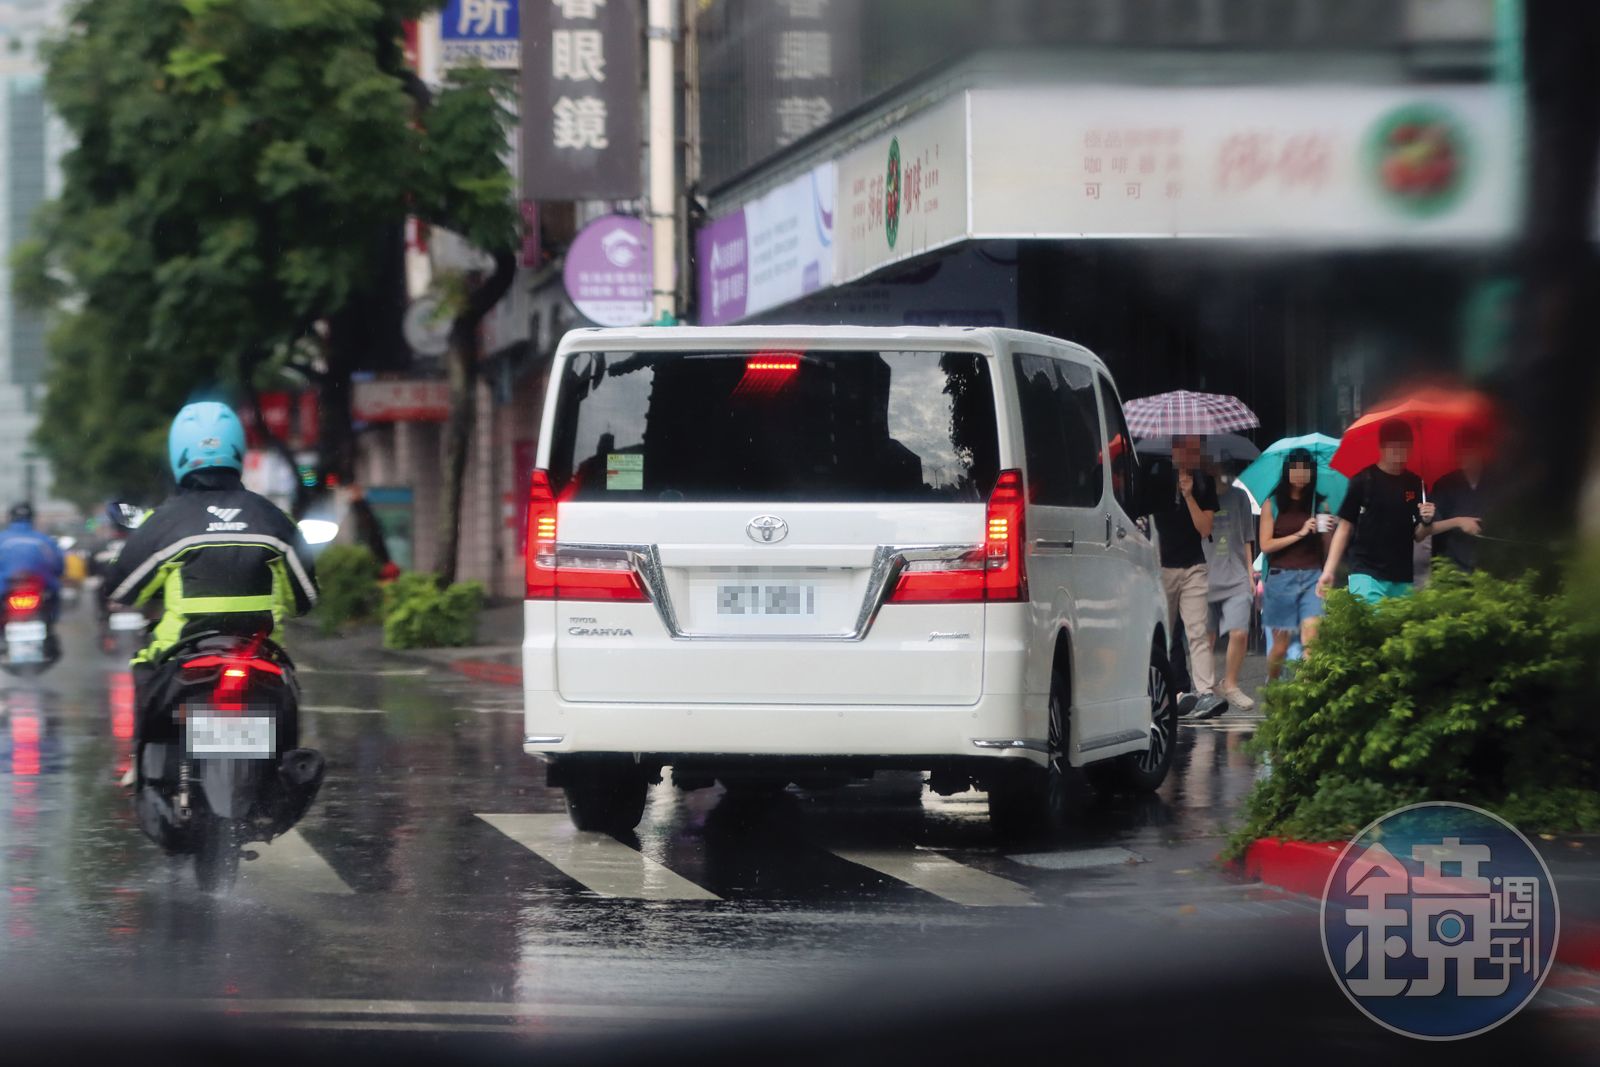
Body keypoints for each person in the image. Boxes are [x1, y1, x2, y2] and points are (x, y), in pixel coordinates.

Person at [104, 402, 319, 764]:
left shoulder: (165, 521)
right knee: (287, 698)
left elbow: (122, 590)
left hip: (182, 657)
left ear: (178, 453)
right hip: (260, 655)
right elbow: (305, 599)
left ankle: (139, 770)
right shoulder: (273, 518)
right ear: (238, 450)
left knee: (143, 666)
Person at [1143, 435, 1225, 718]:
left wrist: (1189, 495)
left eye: (1195, 449)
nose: (1190, 454)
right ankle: (1173, 690)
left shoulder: (1204, 483)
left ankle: (1205, 693)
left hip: (1193, 566)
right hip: (1162, 566)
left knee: (1197, 631)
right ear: (1174, 449)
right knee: (1166, 634)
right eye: (1185, 448)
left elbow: (1205, 529)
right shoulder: (1155, 477)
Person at [1318, 419, 1435, 604]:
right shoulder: (1363, 481)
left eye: (1404, 447)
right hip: (1366, 573)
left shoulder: (1415, 484)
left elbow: (1419, 535)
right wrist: (1329, 570)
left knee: (1398, 631)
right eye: (1394, 447)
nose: (1399, 453)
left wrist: (1427, 521)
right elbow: (1344, 527)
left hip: (1402, 576)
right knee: (1375, 626)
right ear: (1381, 447)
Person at [1258, 449, 1331, 682]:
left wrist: (1329, 528)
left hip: (1312, 576)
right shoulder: (1273, 504)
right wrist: (1300, 534)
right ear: (1287, 471)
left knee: (1312, 640)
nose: (1300, 474)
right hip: (1281, 578)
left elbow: (1327, 548)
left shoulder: (1320, 504)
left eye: (1305, 469)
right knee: (1280, 646)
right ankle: (1273, 684)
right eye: (1295, 468)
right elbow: (1266, 544)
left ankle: (1305, 694)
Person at [1203, 469, 1257, 712]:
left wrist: (1250, 573)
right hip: (1203, 575)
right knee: (1206, 637)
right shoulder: (1197, 495)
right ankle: (1205, 688)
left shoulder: (1239, 497)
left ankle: (1231, 684)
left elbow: (1247, 538)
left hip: (1235, 575)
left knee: (1239, 632)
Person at [1430, 426, 1488, 572]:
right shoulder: (1444, 484)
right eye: (1459, 451)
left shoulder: (1497, 482)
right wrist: (1458, 522)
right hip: (1452, 568)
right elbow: (1429, 528)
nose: (1463, 455)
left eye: (1468, 450)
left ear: (1481, 451)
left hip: (1490, 569)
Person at [0, 503, 65, 618]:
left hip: (5, 586)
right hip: (41, 584)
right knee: (54, 595)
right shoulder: (45, 540)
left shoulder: (2, 538)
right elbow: (58, 565)